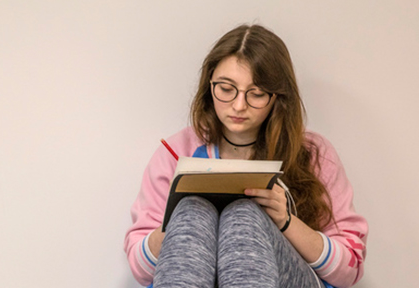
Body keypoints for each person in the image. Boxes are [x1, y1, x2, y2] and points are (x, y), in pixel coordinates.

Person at [124, 24, 368, 288]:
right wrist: (175, 226)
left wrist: (285, 220)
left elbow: (349, 269)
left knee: (243, 214)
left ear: (277, 97)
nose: (239, 105)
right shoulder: (175, 151)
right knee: (192, 210)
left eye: (256, 94)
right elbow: (141, 270)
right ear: (209, 86)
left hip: (290, 278)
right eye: (226, 89)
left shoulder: (312, 153)